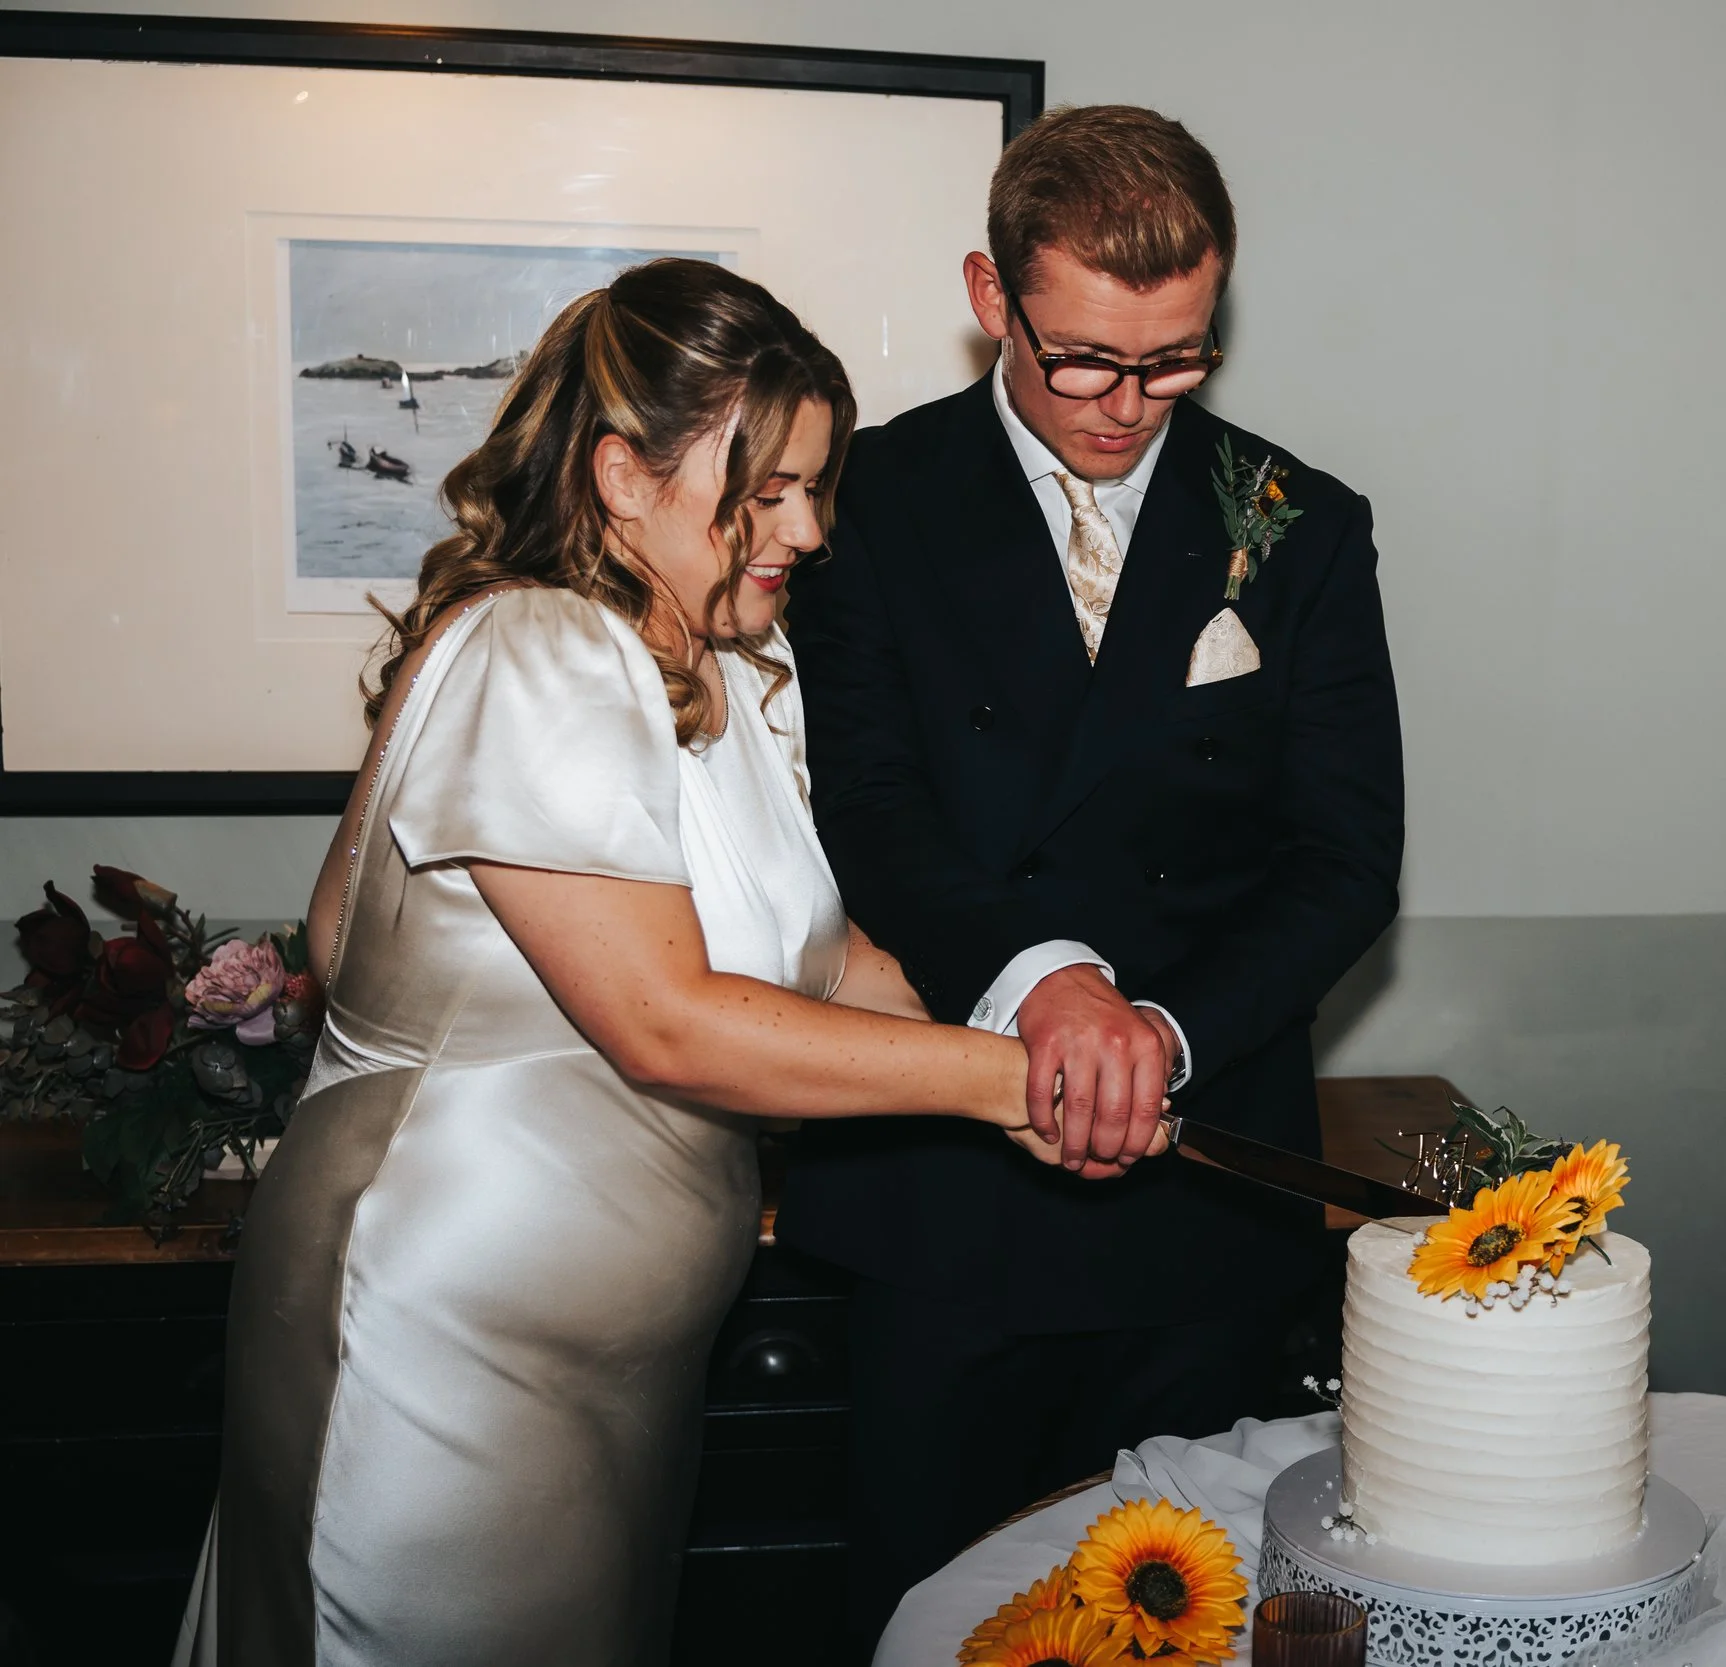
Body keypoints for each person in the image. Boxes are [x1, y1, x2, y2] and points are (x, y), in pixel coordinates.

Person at [175, 259, 1114, 1667]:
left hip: (615, 1357)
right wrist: (1003, 1087)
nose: (807, 525)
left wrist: (1058, 1035)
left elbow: (831, 957)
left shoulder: (730, 670)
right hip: (442, 1335)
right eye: (770, 487)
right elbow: (666, 1020)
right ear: (623, 473)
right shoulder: (538, 649)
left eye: (817, 484)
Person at [779, 104, 1405, 1648]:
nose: (1131, 405)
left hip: (1200, 1197)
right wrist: (1047, 985)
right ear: (994, 299)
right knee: (937, 1614)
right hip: (946, 1187)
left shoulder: (1299, 525)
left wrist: (1162, 1035)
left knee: (1178, 1622)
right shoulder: (856, 506)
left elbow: (1345, 860)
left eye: (1178, 359)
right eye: (1086, 361)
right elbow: (866, 806)